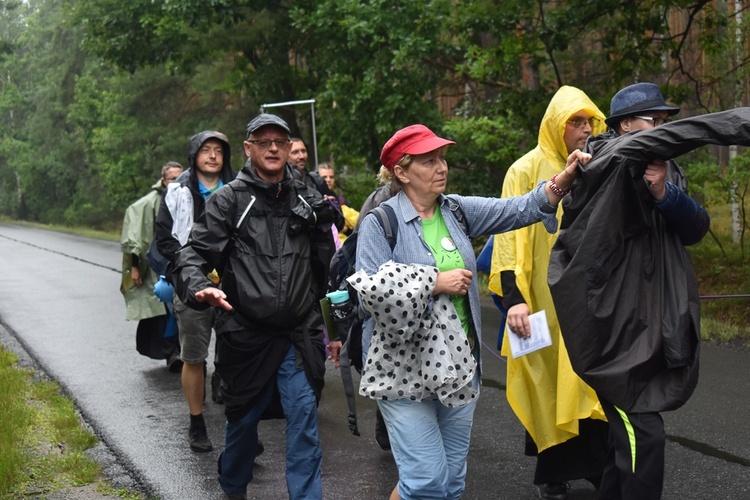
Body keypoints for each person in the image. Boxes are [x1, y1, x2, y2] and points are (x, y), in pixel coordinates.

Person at [349, 124, 591, 500]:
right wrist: (433, 282)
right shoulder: (381, 223)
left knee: (451, 484)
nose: (441, 167)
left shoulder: (455, 211)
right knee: (425, 480)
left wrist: (564, 180)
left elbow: (519, 208)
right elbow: (370, 293)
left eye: (442, 158)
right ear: (401, 171)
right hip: (403, 372)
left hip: (459, 366)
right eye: (429, 161)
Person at [547, 86, 749, 500]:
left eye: (663, 122)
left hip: (651, 322)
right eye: (652, 121)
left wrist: (663, 193)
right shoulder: (606, 159)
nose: (661, 129)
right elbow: (686, 134)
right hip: (612, 332)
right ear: (625, 126)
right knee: (645, 433)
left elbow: (695, 228)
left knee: (629, 446)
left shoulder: (664, 169)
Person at [173, 113, 339, 500]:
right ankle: (233, 487)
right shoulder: (231, 199)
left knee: (303, 420)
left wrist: (335, 330)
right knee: (244, 426)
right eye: (263, 142)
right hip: (245, 336)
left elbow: (327, 272)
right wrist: (200, 287)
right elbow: (191, 255)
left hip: (298, 334)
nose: (272, 148)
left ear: (288, 147)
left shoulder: (307, 196)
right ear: (248, 148)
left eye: (279, 142)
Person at [489, 85, 610, 500]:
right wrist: (514, 298)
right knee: (544, 382)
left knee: (588, 380)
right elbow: (507, 236)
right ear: (556, 125)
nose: (584, 129)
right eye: (575, 121)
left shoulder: (598, 165)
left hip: (585, 299)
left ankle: (595, 465)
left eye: (589, 121)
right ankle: (552, 474)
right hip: (538, 300)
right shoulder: (525, 169)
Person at [154, 130, 235, 453]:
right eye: (206, 150)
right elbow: (165, 240)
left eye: (218, 150)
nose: (213, 155)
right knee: (194, 355)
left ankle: (241, 428)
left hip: (231, 283)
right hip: (190, 284)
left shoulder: (238, 190)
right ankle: (196, 421)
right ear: (194, 155)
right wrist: (193, 271)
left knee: (238, 352)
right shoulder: (176, 193)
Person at [120, 161, 183, 371]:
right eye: (172, 178)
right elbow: (137, 237)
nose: (176, 182)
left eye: (179, 177)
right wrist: (135, 267)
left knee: (183, 311)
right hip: (158, 266)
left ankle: (181, 353)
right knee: (167, 310)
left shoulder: (188, 199)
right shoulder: (149, 204)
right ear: (163, 181)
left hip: (183, 264)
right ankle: (173, 353)